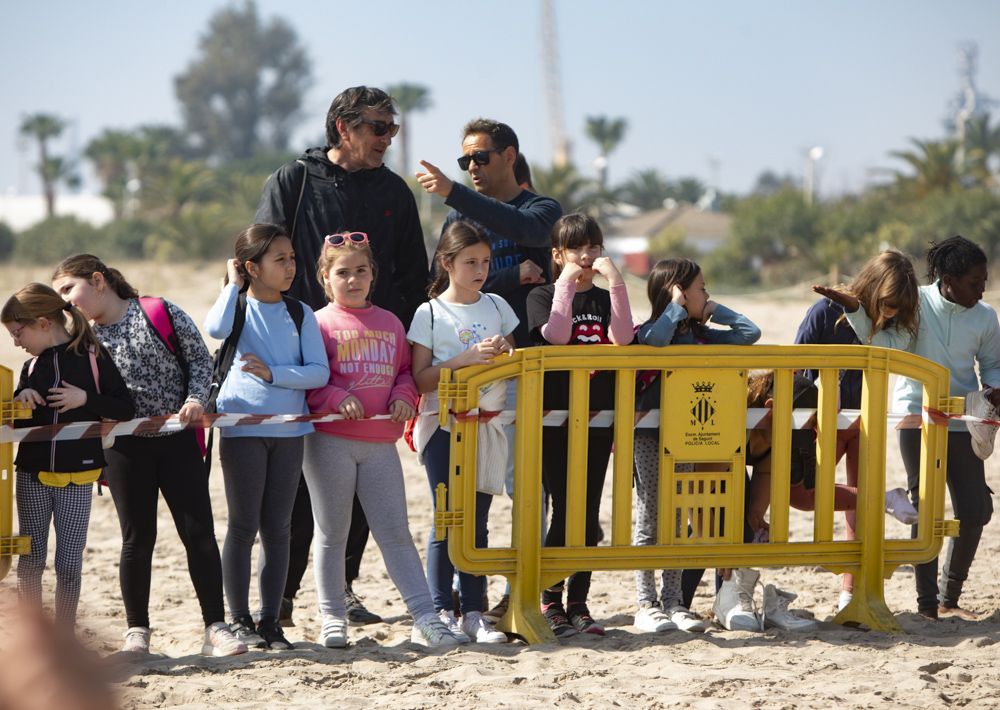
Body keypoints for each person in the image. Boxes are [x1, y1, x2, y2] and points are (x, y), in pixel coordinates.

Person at [254, 86, 430, 626]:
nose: (386, 138)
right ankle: (279, 600)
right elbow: (259, 256)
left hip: (370, 356)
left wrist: (389, 338)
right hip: (299, 351)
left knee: (355, 491)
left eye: (391, 129)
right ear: (342, 127)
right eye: (377, 128)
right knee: (290, 487)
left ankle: (345, 591)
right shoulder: (295, 179)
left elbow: (413, 275)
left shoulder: (394, 191)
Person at [51, 255, 246, 657]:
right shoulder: (81, 341)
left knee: (198, 534)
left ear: (99, 280)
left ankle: (216, 628)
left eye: (69, 289)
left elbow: (198, 360)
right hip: (124, 449)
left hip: (177, 440)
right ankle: (137, 633)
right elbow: (82, 397)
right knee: (136, 540)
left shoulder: (159, 310)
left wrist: (195, 400)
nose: (67, 303)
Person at [417, 121, 561, 620]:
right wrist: (506, 274)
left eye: (479, 158)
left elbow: (530, 232)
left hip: (526, 373)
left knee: (526, 490)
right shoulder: (460, 212)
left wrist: (454, 192)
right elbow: (442, 281)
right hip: (463, 382)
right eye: (465, 162)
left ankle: (521, 594)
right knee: (462, 501)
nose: (472, 168)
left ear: (509, 156)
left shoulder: (542, 209)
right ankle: (461, 598)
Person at [826, 235, 1000, 620]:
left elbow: (991, 364)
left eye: (984, 280)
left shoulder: (986, 316)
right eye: (975, 282)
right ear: (948, 280)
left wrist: (994, 387)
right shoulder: (916, 301)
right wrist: (856, 312)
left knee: (976, 510)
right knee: (927, 510)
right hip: (914, 417)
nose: (982, 288)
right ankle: (927, 608)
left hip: (964, 418)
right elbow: (889, 344)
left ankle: (949, 595)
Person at [303, 231, 462, 649]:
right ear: (325, 277)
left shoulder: (391, 322)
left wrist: (403, 397)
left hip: (380, 445)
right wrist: (338, 397)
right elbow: (311, 380)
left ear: (372, 274)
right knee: (332, 532)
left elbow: (407, 373)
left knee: (394, 532)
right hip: (330, 441)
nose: (352, 280)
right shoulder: (317, 323)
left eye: (360, 271)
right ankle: (332, 617)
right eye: (342, 273)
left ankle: (426, 617)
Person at [203, 224, 329, 650]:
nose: (290, 266)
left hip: (291, 430)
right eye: (280, 259)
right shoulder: (236, 307)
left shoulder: (301, 313)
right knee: (242, 526)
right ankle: (237, 618)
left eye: (292, 258)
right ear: (251, 267)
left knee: (279, 528)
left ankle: (270, 622)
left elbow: (319, 372)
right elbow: (216, 329)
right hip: (241, 430)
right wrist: (232, 284)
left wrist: (275, 374)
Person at [631, 258, 761, 634]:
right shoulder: (651, 329)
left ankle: (674, 602)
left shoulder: (702, 335)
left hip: (686, 435)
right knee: (651, 515)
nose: (707, 293)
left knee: (676, 515)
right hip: (652, 438)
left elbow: (749, 333)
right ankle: (646, 601)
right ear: (676, 290)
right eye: (701, 288)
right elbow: (655, 341)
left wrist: (713, 309)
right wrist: (675, 305)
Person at [408, 221, 518, 644]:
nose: (480, 269)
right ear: (446, 262)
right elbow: (421, 378)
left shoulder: (496, 304)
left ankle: (474, 611)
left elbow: (514, 356)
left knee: (478, 522)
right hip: (443, 425)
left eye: (485, 261)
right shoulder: (430, 312)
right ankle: (439, 611)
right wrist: (467, 358)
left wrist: (505, 353)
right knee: (446, 520)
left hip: (489, 426)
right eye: (470, 261)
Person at [526, 213, 634, 637]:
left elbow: (623, 338)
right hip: (554, 420)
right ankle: (550, 599)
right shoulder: (541, 296)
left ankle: (579, 602)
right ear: (558, 255)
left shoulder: (606, 300)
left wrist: (618, 284)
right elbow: (554, 335)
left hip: (598, 419)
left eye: (594, 247)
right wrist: (566, 285)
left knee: (588, 514)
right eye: (576, 249)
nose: (587, 256)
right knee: (563, 509)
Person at [3, 284, 135, 628]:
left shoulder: (93, 357)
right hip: (31, 474)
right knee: (30, 559)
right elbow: (14, 420)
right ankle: (34, 636)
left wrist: (85, 400)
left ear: (44, 323)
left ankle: (64, 635)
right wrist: (22, 398)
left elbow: (125, 407)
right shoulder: (30, 368)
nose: (16, 342)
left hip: (79, 476)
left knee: (68, 562)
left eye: (18, 333)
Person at [796, 249, 920, 610]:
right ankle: (885, 499)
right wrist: (812, 406)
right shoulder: (824, 312)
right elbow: (798, 364)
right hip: (825, 420)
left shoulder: (893, 326)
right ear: (871, 285)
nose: (892, 312)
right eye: (888, 302)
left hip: (868, 420)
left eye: (900, 306)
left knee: (858, 514)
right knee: (805, 494)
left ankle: (851, 594)